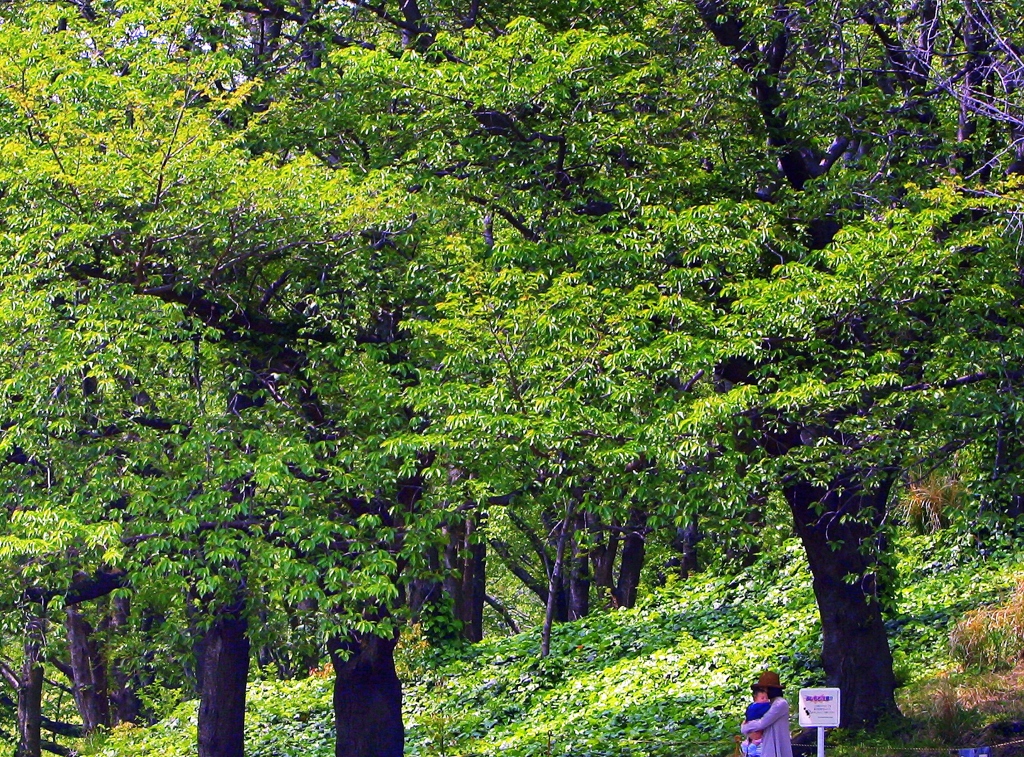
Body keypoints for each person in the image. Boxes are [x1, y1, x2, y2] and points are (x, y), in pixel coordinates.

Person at [741, 671, 793, 757]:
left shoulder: (780, 703)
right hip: (767, 746)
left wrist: (745, 727)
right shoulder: (770, 703)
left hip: (776, 746)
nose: (763, 691)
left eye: (764, 689)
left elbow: (762, 723)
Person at [740, 689, 772, 757]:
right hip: (754, 730)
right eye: (762, 698)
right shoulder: (763, 706)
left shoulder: (750, 707)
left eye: (766, 698)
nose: (765, 700)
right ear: (755, 699)